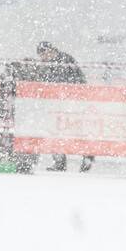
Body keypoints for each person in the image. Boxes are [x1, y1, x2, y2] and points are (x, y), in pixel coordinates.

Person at [34, 41, 94, 173]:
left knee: (74, 130)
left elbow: (74, 79)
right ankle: (61, 161)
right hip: (59, 103)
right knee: (56, 131)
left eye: (43, 54)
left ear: (49, 51)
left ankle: (86, 156)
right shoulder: (50, 64)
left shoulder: (64, 60)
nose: (43, 58)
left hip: (71, 102)